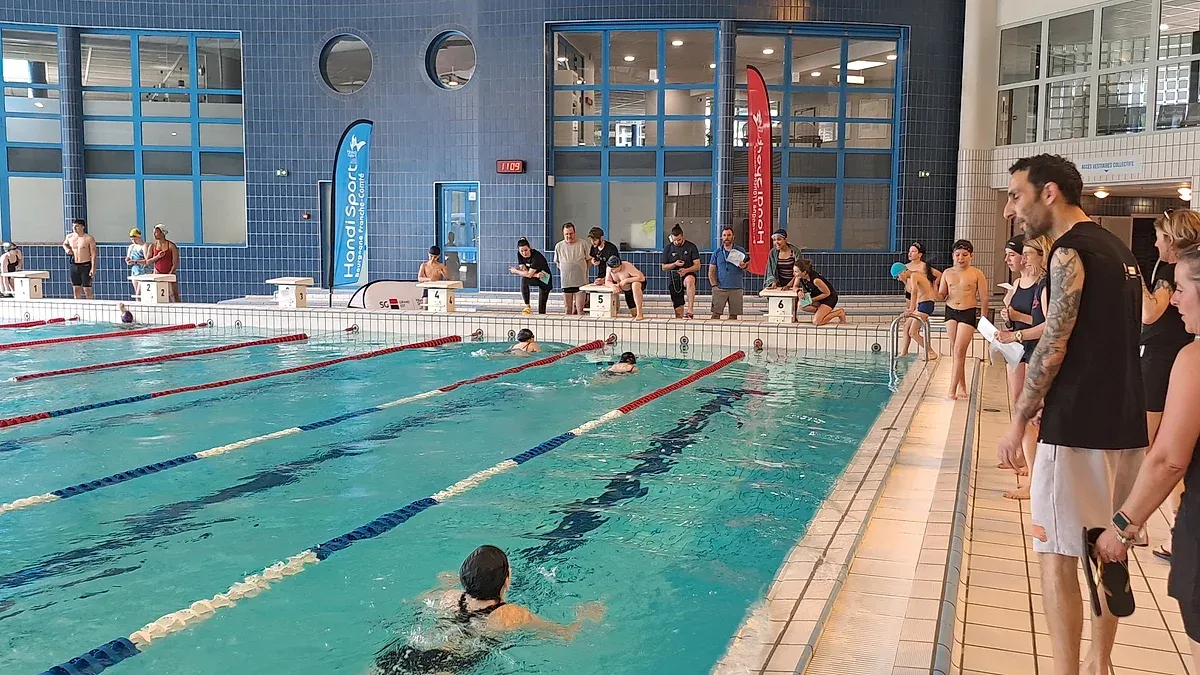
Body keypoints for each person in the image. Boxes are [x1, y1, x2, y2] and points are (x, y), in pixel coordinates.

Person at [997, 154, 1147, 675]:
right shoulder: (1118, 249)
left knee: (1058, 557)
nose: (1012, 208)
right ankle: (1098, 664)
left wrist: (1018, 418)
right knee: (1107, 553)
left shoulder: (1067, 253)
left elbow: (1055, 341)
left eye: (1016, 195)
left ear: (1049, 193)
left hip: (1077, 427)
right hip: (1126, 429)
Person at [1094, 244, 1200, 675]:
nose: (1174, 299)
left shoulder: (1194, 360)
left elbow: (1168, 460)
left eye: (1180, 289)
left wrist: (1123, 526)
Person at [373, 545, 604, 674]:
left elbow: (416, 601)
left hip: (410, 651)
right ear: (506, 582)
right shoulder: (510, 614)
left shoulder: (448, 597)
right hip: (446, 666)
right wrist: (585, 617)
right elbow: (564, 635)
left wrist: (445, 584)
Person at [1137, 211, 1200, 561]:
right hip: (1167, 360)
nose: (1155, 243)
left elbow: (1149, 313)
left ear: (1172, 241)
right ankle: (1178, 530)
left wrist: (1131, 280)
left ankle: (1146, 524)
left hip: (1161, 363)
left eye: (1159, 237)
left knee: (1149, 449)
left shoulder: (1168, 273)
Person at [996, 233, 1052, 501]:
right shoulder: (1019, 283)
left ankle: (1032, 480)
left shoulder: (1045, 286)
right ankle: (1025, 464)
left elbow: (1049, 325)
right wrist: (1008, 322)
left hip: (1033, 351)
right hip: (1018, 351)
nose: (1023, 259)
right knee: (1021, 408)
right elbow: (1016, 321)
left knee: (1031, 416)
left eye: (1028, 254)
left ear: (1041, 255)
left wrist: (1017, 330)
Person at [936, 239, 988, 400]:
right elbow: (941, 296)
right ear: (953, 256)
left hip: (968, 312)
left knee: (959, 351)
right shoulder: (947, 273)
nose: (961, 258)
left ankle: (952, 390)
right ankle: (962, 386)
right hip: (950, 312)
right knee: (957, 351)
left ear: (971, 255)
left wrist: (983, 320)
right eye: (957, 255)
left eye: (965, 255)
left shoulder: (977, 273)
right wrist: (930, 288)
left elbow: (984, 299)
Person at [897, 263, 939, 360]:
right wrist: (913, 309)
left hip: (926, 305)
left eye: (898, 276)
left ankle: (931, 352)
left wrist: (911, 309)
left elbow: (915, 292)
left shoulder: (914, 276)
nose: (898, 279)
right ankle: (904, 352)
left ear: (902, 271)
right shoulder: (915, 275)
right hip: (921, 305)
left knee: (913, 332)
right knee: (906, 326)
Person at [709, 225, 749, 320]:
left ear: (733, 236)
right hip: (720, 288)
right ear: (722, 237)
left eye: (729, 235)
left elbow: (748, 268)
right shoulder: (717, 252)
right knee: (715, 315)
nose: (726, 237)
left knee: (733, 316)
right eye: (724, 235)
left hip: (736, 287)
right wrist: (714, 287)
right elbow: (711, 271)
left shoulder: (740, 251)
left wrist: (745, 266)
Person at [661, 224, 701, 319]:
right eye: (675, 240)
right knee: (678, 310)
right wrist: (674, 264)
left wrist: (686, 270)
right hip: (675, 277)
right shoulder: (668, 248)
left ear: (683, 236)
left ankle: (690, 310)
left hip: (688, 273)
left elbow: (697, 265)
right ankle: (679, 318)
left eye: (679, 240)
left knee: (690, 280)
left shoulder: (691, 247)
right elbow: (664, 267)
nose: (677, 242)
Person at [792, 260, 847, 326]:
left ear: (804, 272)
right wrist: (798, 291)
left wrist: (812, 300)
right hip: (817, 297)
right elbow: (795, 286)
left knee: (817, 322)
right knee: (801, 305)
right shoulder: (800, 276)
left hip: (829, 298)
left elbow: (827, 293)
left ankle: (839, 312)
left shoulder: (816, 280)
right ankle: (821, 312)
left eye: (796, 271)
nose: (794, 273)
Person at [554, 223, 590, 316]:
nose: (569, 236)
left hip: (581, 282)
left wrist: (583, 269)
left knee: (580, 309)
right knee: (567, 309)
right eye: (566, 234)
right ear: (563, 234)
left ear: (575, 232)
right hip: (566, 282)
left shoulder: (583, 243)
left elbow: (589, 260)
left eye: (571, 233)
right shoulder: (559, 246)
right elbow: (558, 263)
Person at [509, 238, 552, 315]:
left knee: (541, 308)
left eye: (526, 250)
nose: (524, 253)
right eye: (521, 251)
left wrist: (515, 271)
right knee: (524, 280)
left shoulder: (536, 257)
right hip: (536, 276)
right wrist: (535, 275)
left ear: (530, 248)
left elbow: (528, 274)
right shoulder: (519, 254)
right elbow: (525, 271)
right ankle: (527, 306)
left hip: (545, 278)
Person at [602, 255, 645, 321]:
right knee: (634, 314)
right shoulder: (609, 269)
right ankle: (637, 314)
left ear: (620, 266)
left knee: (635, 284)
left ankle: (640, 313)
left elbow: (641, 277)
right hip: (627, 290)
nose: (612, 271)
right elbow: (607, 281)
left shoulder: (627, 266)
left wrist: (626, 280)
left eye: (614, 269)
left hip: (636, 285)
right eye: (611, 269)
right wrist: (613, 286)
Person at [62, 218, 98, 300]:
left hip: (85, 264)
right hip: (74, 265)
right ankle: (78, 307)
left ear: (82, 227)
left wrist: (93, 268)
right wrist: (67, 249)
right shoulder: (70, 237)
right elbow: (64, 244)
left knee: (87, 289)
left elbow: (93, 254)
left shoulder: (88, 238)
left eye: (77, 226)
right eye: (73, 226)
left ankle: (90, 306)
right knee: (76, 288)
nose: (74, 228)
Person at [587, 227, 621, 312]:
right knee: (600, 305)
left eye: (594, 240)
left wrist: (605, 280)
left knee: (613, 304)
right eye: (591, 240)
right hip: (601, 275)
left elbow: (616, 268)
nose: (592, 242)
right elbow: (593, 257)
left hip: (612, 277)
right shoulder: (593, 247)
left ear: (601, 238)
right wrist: (593, 261)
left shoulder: (611, 249)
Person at [143, 225, 180, 302]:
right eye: (153, 232)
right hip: (157, 273)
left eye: (156, 232)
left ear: (163, 233)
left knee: (173, 295)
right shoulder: (152, 246)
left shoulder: (171, 246)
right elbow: (148, 261)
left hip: (169, 273)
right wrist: (157, 257)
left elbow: (175, 262)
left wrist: (170, 273)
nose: (154, 234)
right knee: (157, 296)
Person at [125, 229, 148, 299]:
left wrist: (135, 261)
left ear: (139, 237)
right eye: (132, 239)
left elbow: (147, 261)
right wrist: (128, 260)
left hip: (144, 272)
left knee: (139, 294)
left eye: (135, 239)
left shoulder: (144, 246)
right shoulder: (131, 247)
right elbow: (128, 260)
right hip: (135, 272)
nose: (134, 241)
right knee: (137, 295)